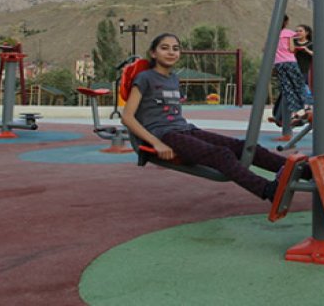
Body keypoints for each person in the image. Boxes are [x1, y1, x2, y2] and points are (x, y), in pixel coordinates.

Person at [121, 33, 290, 201]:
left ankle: (297, 170)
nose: (171, 52)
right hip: (163, 134)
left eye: (175, 48)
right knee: (221, 155)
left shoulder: (173, 78)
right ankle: (268, 190)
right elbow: (127, 117)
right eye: (164, 48)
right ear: (153, 53)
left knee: (246, 148)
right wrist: (156, 143)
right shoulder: (145, 78)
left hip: (186, 129)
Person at [274, 16, 310, 124]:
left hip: (278, 63)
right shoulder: (289, 33)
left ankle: (297, 112)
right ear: (286, 22)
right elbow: (291, 49)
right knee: (299, 84)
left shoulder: (273, 34)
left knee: (288, 89)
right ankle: (306, 106)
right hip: (290, 62)